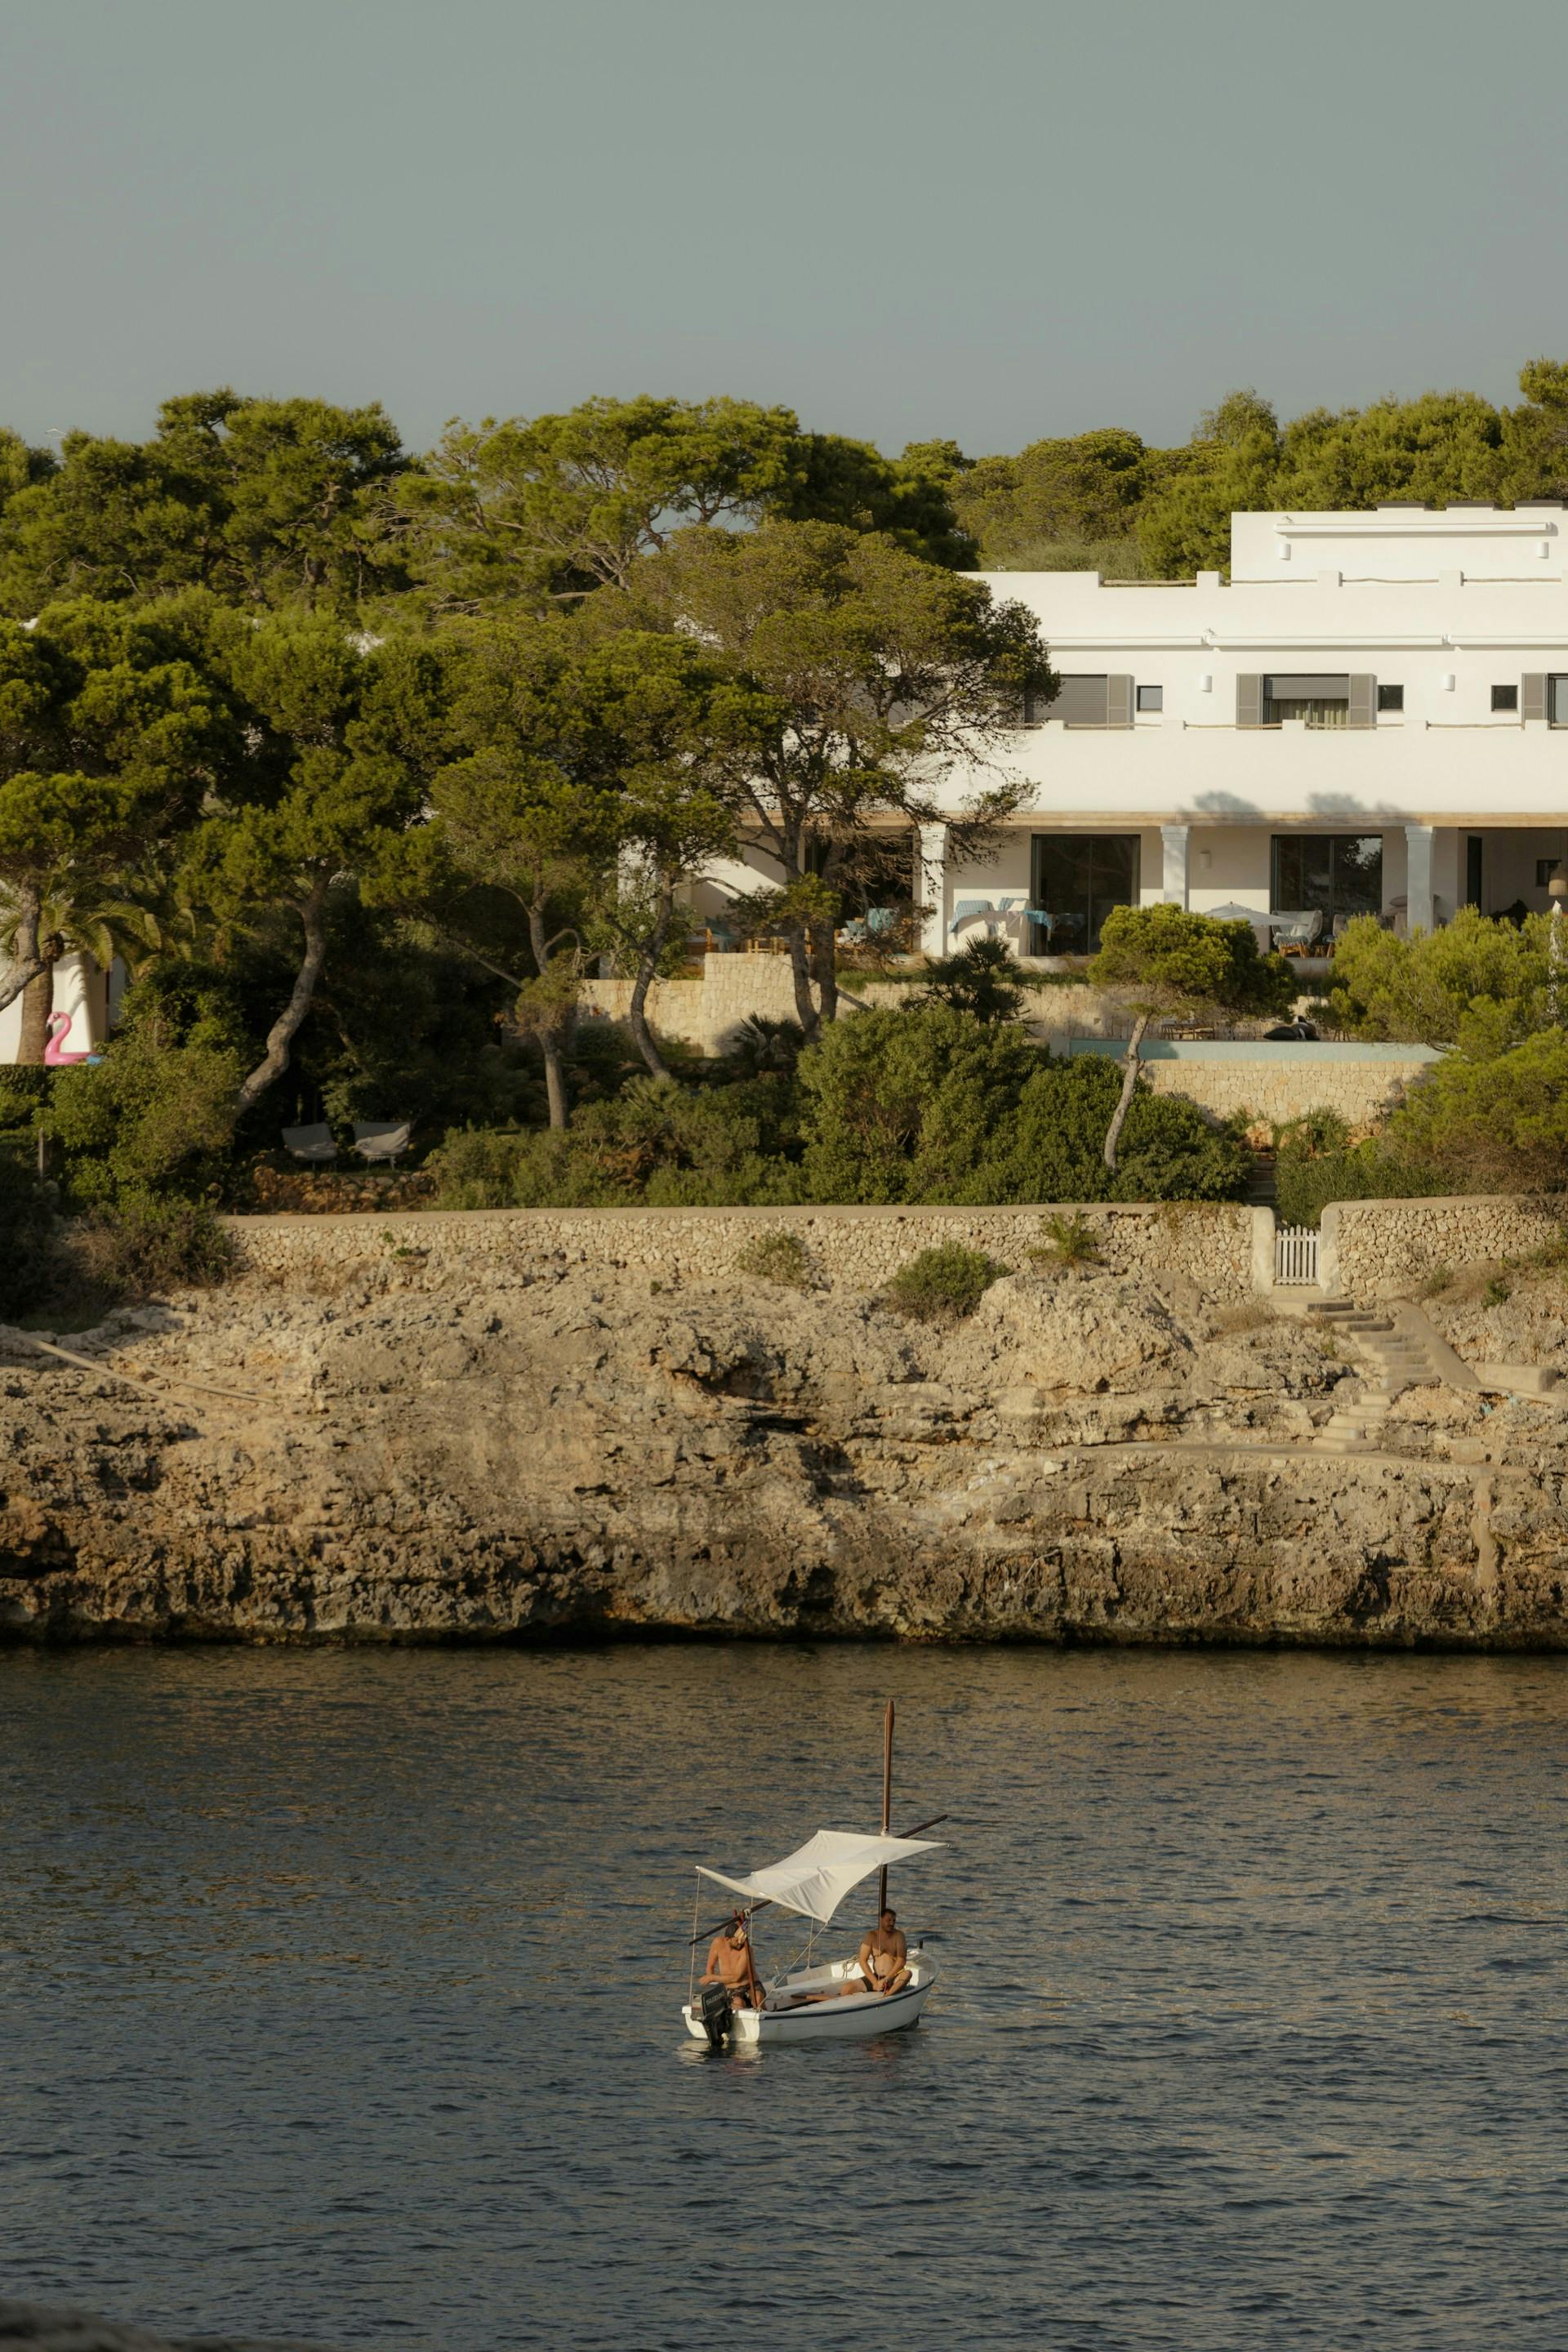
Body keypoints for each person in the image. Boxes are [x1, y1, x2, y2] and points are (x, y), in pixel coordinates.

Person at [843, 1905, 911, 1996]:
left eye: (894, 1920)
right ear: (881, 1919)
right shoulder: (871, 1936)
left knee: (907, 1974)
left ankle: (887, 1996)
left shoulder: (899, 1936)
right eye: (889, 1920)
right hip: (876, 1977)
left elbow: (901, 1960)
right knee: (847, 1988)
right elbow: (863, 1960)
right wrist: (875, 1982)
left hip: (894, 1977)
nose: (892, 1923)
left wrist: (887, 1979)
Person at [701, 1914, 763, 2008]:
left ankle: (764, 2014)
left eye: (740, 1939)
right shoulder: (718, 1943)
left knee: (758, 1999)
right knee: (738, 2003)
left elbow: (736, 1978)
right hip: (731, 1988)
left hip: (750, 1985)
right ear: (727, 1939)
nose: (740, 1942)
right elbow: (710, 1967)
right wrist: (713, 1990)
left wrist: (712, 1978)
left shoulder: (746, 1949)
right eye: (736, 1940)